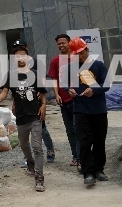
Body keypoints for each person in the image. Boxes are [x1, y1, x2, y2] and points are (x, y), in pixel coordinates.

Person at [0, 43, 47, 193]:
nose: (20, 57)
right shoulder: (11, 76)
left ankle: (39, 178)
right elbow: (5, 92)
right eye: (17, 55)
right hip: (21, 116)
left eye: (23, 55)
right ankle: (30, 162)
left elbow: (42, 92)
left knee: (37, 147)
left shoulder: (35, 74)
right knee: (24, 145)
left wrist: (43, 105)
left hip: (35, 115)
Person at [66, 37, 109, 187]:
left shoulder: (99, 66)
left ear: (87, 50)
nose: (79, 57)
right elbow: (66, 85)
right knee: (84, 141)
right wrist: (69, 90)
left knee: (99, 141)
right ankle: (88, 172)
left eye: (80, 53)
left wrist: (94, 90)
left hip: (98, 110)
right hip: (81, 110)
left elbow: (107, 84)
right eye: (76, 55)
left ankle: (99, 169)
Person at [11, 40, 56, 163]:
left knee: (42, 128)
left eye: (21, 48)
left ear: (27, 48)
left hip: (35, 100)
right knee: (24, 131)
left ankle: (50, 149)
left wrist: (42, 101)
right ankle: (29, 157)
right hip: (22, 102)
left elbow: (41, 79)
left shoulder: (36, 63)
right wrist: (14, 102)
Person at [47, 33, 79, 169]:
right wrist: (56, 95)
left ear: (69, 43)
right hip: (63, 100)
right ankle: (75, 155)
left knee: (79, 128)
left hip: (78, 99)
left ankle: (82, 156)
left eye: (63, 43)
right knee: (70, 129)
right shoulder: (55, 61)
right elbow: (54, 79)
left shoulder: (77, 58)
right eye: (58, 44)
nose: (61, 45)